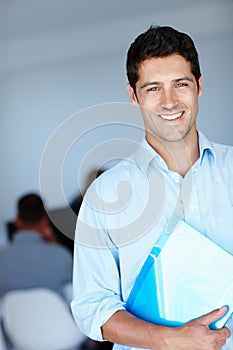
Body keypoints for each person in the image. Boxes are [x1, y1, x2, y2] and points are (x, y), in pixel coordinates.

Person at [71, 26, 233, 350]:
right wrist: (172, 340)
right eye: (153, 88)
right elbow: (92, 308)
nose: (169, 101)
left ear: (199, 86)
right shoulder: (104, 196)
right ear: (134, 96)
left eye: (180, 84)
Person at [0, 193, 73, 298]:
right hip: (52, 314)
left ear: (17, 220)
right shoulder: (62, 255)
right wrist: (53, 240)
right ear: (45, 220)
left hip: (11, 314)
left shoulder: (2, 257)